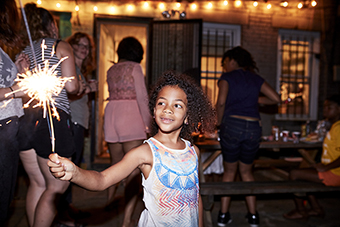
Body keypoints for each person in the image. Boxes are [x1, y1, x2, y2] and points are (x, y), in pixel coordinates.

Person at [48, 71, 215, 227]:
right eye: (161, 103)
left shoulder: (193, 152)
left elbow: (195, 197)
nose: (168, 109)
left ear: (187, 117)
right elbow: (102, 179)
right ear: (154, 110)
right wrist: (75, 173)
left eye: (177, 105)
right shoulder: (145, 152)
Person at [17, 3, 79, 227]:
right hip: (52, 119)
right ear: (51, 24)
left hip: (26, 120)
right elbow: (72, 87)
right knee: (56, 187)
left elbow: (21, 90)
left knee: (37, 183)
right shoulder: (60, 46)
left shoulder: (22, 52)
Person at [215, 46, 280, 227]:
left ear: (233, 61)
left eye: (225, 62)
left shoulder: (227, 78)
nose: (224, 66)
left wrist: (218, 124)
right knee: (246, 171)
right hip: (253, 128)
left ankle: (223, 215)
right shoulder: (255, 78)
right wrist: (255, 99)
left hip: (232, 125)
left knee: (229, 171)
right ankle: (253, 216)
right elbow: (276, 98)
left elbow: (220, 103)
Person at [103, 37, 151, 226]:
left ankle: (108, 203)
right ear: (137, 52)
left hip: (112, 115)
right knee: (132, 170)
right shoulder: (135, 68)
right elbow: (142, 96)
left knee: (114, 164)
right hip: (130, 116)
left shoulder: (111, 69)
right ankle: (126, 220)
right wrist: (148, 126)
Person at [54, 32, 97, 226]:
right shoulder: (71, 67)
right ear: (72, 45)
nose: (83, 48)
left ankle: (67, 208)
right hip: (73, 121)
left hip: (79, 122)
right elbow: (69, 92)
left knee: (73, 165)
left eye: (86, 46)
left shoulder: (79, 70)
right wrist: (88, 89)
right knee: (68, 168)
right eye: (79, 44)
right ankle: (63, 216)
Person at [283, 94, 340, 220]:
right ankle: (316, 208)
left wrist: (326, 168)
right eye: (324, 107)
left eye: (329, 107)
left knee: (294, 174)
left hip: (336, 173)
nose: (325, 110)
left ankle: (301, 210)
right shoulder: (334, 126)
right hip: (331, 169)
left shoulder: (339, 128)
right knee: (305, 174)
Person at [0, 0, 30, 224]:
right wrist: (14, 89)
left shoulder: (1, 50)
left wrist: (19, 73)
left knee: (6, 196)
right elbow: (8, 92)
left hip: (9, 132)